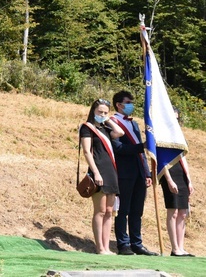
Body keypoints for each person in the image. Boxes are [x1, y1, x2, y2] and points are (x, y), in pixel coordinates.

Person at [109, 90, 157, 256]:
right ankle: (123, 244)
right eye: (128, 102)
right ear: (119, 104)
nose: (131, 105)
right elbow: (118, 148)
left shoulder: (134, 124)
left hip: (139, 172)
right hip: (124, 172)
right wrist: (142, 146)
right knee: (123, 210)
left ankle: (137, 243)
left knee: (137, 210)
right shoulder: (112, 122)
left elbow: (141, 153)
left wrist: (147, 173)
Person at [80, 98, 124, 254]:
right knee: (99, 211)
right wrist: (96, 172)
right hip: (98, 171)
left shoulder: (105, 128)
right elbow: (86, 151)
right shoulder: (87, 128)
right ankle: (99, 247)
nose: (102, 114)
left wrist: (109, 120)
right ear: (93, 111)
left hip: (111, 171)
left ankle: (106, 247)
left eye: (105, 112)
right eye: (100, 112)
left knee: (109, 211)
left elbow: (120, 132)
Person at [161, 110, 195, 257]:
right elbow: (161, 159)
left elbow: (183, 158)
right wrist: (168, 179)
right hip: (169, 173)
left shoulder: (179, 135)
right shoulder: (161, 135)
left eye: (177, 117)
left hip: (181, 174)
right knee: (173, 211)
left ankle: (181, 248)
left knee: (182, 212)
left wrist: (188, 178)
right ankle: (174, 248)